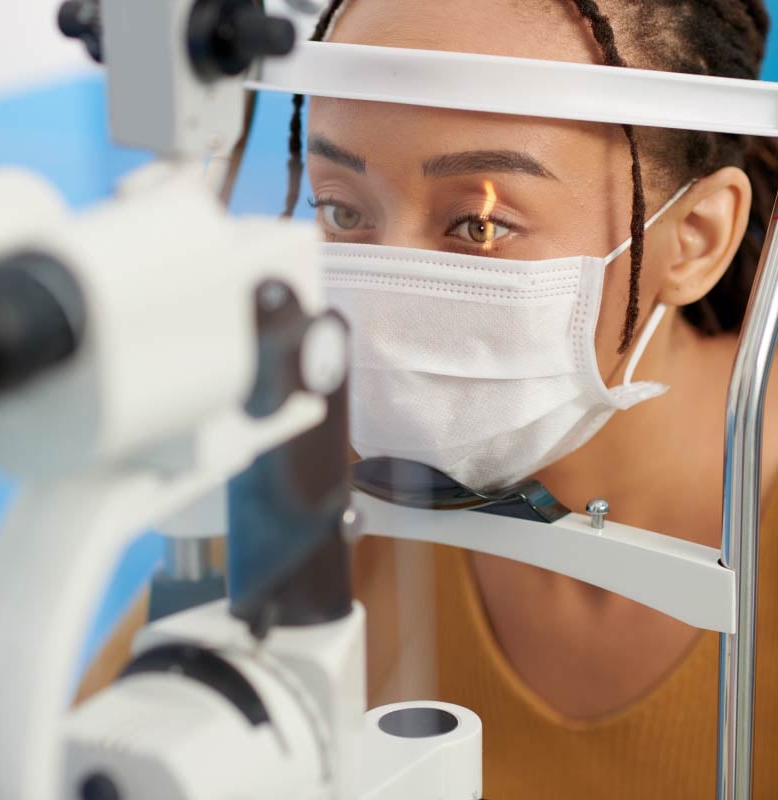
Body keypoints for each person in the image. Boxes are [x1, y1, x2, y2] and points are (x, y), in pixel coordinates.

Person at [80, 1, 778, 797]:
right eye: (342, 209)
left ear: (695, 238)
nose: (389, 302)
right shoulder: (312, 506)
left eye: (479, 225)